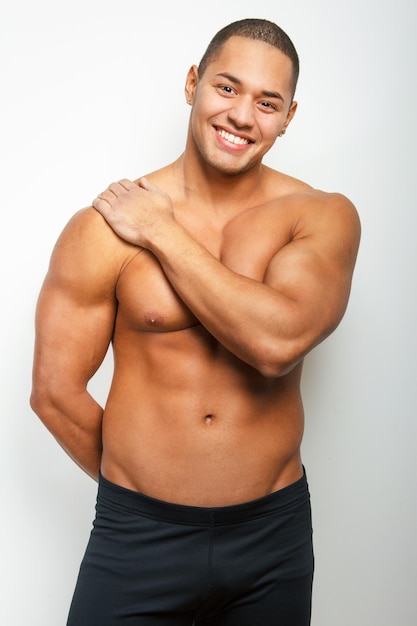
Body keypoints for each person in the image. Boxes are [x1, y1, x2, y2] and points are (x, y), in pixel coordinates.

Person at [30, 17, 360, 626]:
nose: (241, 116)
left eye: (267, 102)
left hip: (272, 538)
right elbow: (54, 394)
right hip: (136, 538)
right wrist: (140, 489)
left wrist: (159, 230)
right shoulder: (102, 229)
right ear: (192, 83)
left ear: (288, 117)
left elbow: (276, 341)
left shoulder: (321, 216)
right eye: (226, 88)